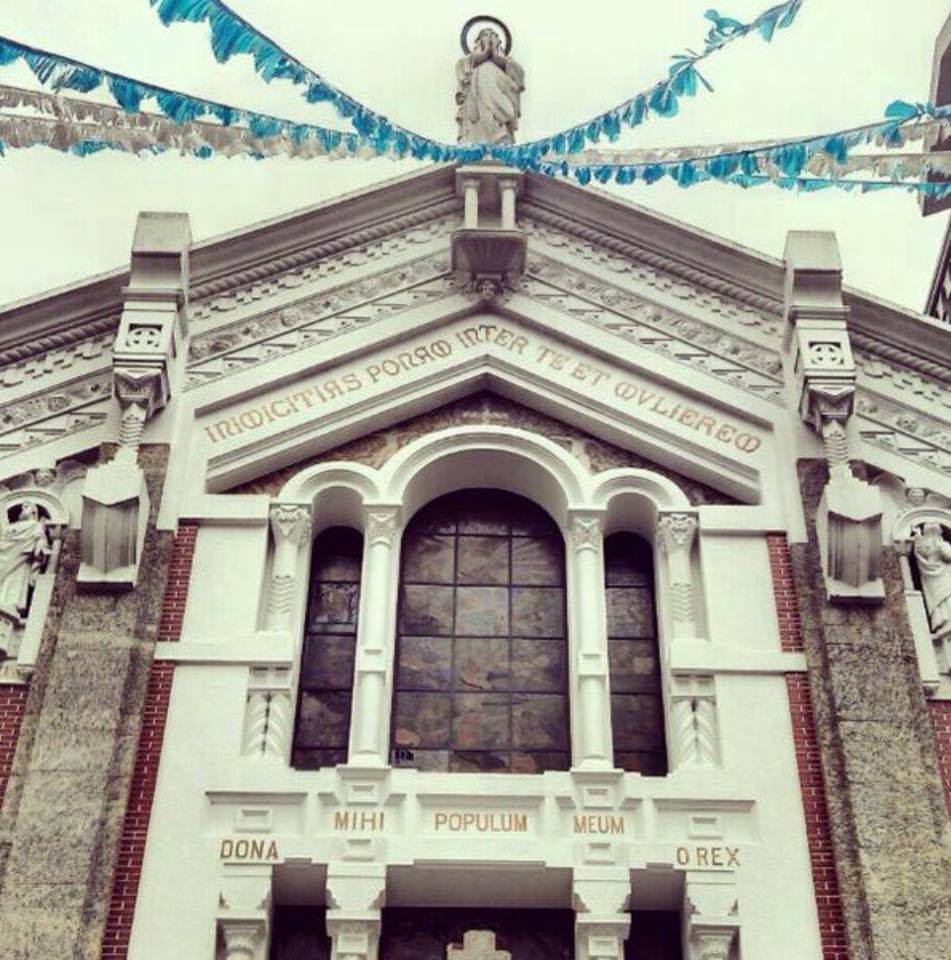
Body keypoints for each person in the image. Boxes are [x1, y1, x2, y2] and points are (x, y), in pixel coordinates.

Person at [456, 27, 525, 145]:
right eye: (485, 36)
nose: (489, 38)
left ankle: (501, 136)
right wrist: (485, 53)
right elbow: (462, 67)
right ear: (478, 41)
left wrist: (495, 56)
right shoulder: (469, 61)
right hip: (477, 100)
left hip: (500, 93)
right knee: (480, 120)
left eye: (493, 36)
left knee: (505, 114)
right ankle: (477, 141)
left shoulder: (507, 63)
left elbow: (518, 75)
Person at [912, 521, 951, 640]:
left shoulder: (940, 544)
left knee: (947, 597)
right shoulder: (930, 544)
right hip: (936, 578)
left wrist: (941, 549)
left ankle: (947, 621)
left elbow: (948, 555)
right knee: (941, 599)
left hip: (943, 575)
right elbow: (921, 553)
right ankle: (944, 622)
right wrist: (918, 537)